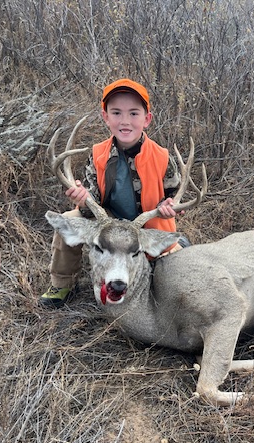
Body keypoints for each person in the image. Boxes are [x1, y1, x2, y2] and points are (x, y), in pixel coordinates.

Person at [40, 78, 186, 308]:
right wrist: (83, 199)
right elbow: (92, 201)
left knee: (174, 281)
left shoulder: (162, 158)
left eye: (133, 113)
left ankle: (176, 248)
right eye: (116, 113)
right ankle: (63, 283)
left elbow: (174, 196)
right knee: (68, 220)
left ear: (147, 119)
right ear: (106, 117)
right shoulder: (98, 154)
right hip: (108, 224)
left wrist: (170, 207)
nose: (125, 121)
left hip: (146, 228)